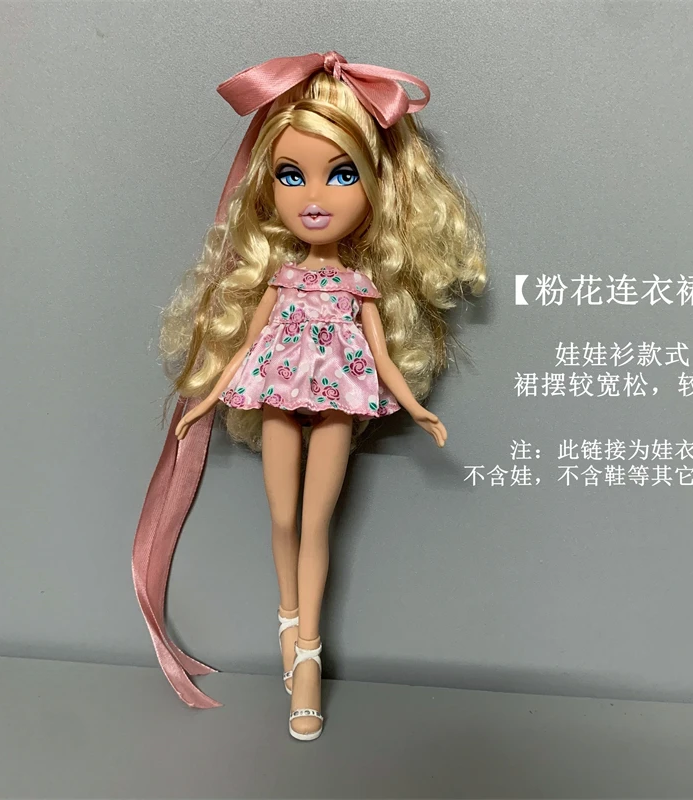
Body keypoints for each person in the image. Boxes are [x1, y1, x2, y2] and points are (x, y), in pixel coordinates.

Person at [132, 51, 487, 741]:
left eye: (342, 174)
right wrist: (204, 401)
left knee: (316, 523)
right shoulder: (282, 278)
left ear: (375, 188)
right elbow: (245, 346)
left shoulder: (358, 285)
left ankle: (308, 660)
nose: (314, 196)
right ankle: (287, 619)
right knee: (283, 518)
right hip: (274, 397)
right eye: (291, 175)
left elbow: (380, 356)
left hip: (338, 405)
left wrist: (416, 408)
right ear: (269, 188)